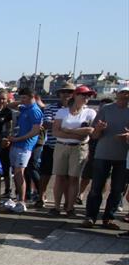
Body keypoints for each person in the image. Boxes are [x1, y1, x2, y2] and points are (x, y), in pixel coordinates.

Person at [83, 85, 129, 230]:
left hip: (123, 156)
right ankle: (90, 217)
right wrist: (99, 129)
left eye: (127, 93)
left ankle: (108, 218)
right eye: (122, 92)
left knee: (117, 189)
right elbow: (94, 135)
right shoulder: (106, 109)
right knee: (96, 187)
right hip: (102, 154)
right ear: (116, 93)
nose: (125, 95)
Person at [49, 85, 98, 217]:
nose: (87, 98)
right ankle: (56, 206)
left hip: (79, 148)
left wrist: (68, 131)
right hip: (62, 146)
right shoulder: (63, 112)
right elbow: (55, 131)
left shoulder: (90, 113)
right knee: (59, 177)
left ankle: (70, 207)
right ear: (76, 96)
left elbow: (91, 131)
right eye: (84, 95)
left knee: (74, 178)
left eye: (88, 96)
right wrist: (77, 134)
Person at [3, 88, 43, 213]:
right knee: (16, 172)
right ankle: (18, 197)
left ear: (32, 97)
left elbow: (35, 131)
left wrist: (18, 138)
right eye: (21, 98)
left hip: (25, 145)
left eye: (24, 98)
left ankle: (22, 200)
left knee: (20, 172)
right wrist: (20, 102)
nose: (22, 101)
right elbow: (8, 105)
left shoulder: (35, 111)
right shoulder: (25, 108)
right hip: (16, 143)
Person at [38, 82, 75, 209]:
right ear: (59, 94)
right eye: (64, 92)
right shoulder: (50, 107)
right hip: (52, 145)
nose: (66, 95)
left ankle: (67, 202)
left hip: (69, 146)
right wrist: (69, 127)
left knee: (66, 176)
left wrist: (59, 126)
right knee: (45, 173)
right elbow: (47, 124)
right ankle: (41, 196)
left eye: (69, 92)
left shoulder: (76, 109)